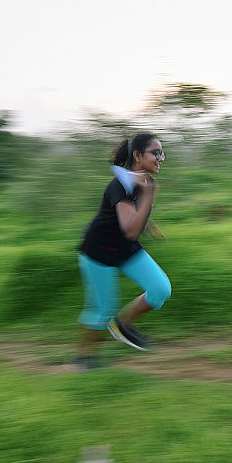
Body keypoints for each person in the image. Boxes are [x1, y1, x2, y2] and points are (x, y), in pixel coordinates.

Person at [74, 133, 172, 370]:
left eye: (162, 153)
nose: (161, 158)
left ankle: (122, 325)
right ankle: (85, 360)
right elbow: (129, 230)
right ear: (137, 156)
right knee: (101, 309)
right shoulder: (119, 185)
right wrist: (149, 195)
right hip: (99, 251)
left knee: (160, 289)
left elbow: (132, 217)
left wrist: (149, 224)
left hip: (125, 249)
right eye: (155, 153)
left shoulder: (144, 181)